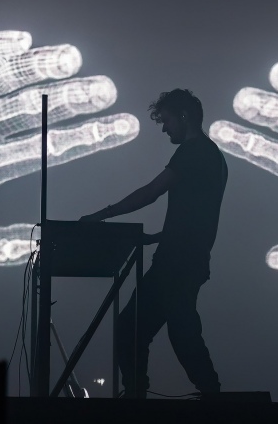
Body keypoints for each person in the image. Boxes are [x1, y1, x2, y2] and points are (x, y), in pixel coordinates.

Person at [80, 88, 227, 398]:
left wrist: (101, 215)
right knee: (148, 327)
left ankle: (204, 395)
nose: (164, 128)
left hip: (179, 262)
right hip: (180, 258)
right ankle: (192, 393)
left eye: (167, 120)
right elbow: (196, 213)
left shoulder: (194, 152)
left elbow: (151, 193)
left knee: (171, 328)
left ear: (184, 117)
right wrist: (159, 236)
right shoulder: (209, 155)